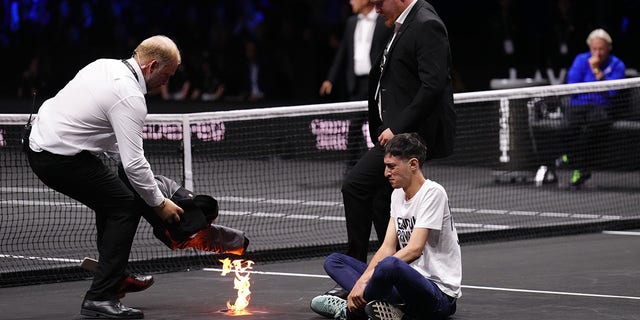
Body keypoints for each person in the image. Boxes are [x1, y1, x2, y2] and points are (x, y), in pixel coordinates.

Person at [26, 35, 184, 319]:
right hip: (56, 157)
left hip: (44, 142)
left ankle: (115, 277)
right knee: (123, 207)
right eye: (167, 75)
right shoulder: (130, 96)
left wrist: (144, 184)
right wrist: (160, 204)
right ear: (152, 67)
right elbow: (134, 164)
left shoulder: (105, 66)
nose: (166, 82)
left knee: (113, 200)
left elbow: (115, 146)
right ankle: (100, 298)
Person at [339, 0, 456, 290]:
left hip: (408, 136)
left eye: (379, 3)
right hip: (392, 131)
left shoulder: (427, 23)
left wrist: (397, 128)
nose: (376, 9)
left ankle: (356, 274)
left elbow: (433, 85)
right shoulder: (401, 25)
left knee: (354, 185)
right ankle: (391, 276)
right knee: (382, 200)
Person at [310, 133, 461, 320]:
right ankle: (384, 308)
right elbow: (387, 247)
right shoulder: (397, 194)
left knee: (389, 265)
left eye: (391, 167)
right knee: (334, 261)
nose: (386, 173)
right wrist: (363, 281)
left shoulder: (433, 193)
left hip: (437, 296)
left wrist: (363, 281)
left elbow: (414, 249)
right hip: (406, 289)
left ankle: (350, 312)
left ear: (413, 164)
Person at [319, 0, 393, 174]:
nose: (350, 2)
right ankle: (351, 166)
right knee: (354, 127)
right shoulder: (351, 23)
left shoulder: (384, 22)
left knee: (380, 126)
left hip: (376, 82)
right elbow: (343, 52)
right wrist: (330, 79)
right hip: (357, 84)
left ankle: (386, 164)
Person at [557, 28, 626, 187]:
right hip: (578, 104)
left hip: (600, 106)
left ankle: (576, 164)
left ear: (609, 48)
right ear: (590, 48)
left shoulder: (617, 65)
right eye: (594, 49)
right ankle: (577, 163)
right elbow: (572, 84)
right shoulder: (581, 60)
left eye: (601, 49)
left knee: (593, 129)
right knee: (565, 127)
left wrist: (596, 71)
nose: (598, 53)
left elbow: (612, 91)